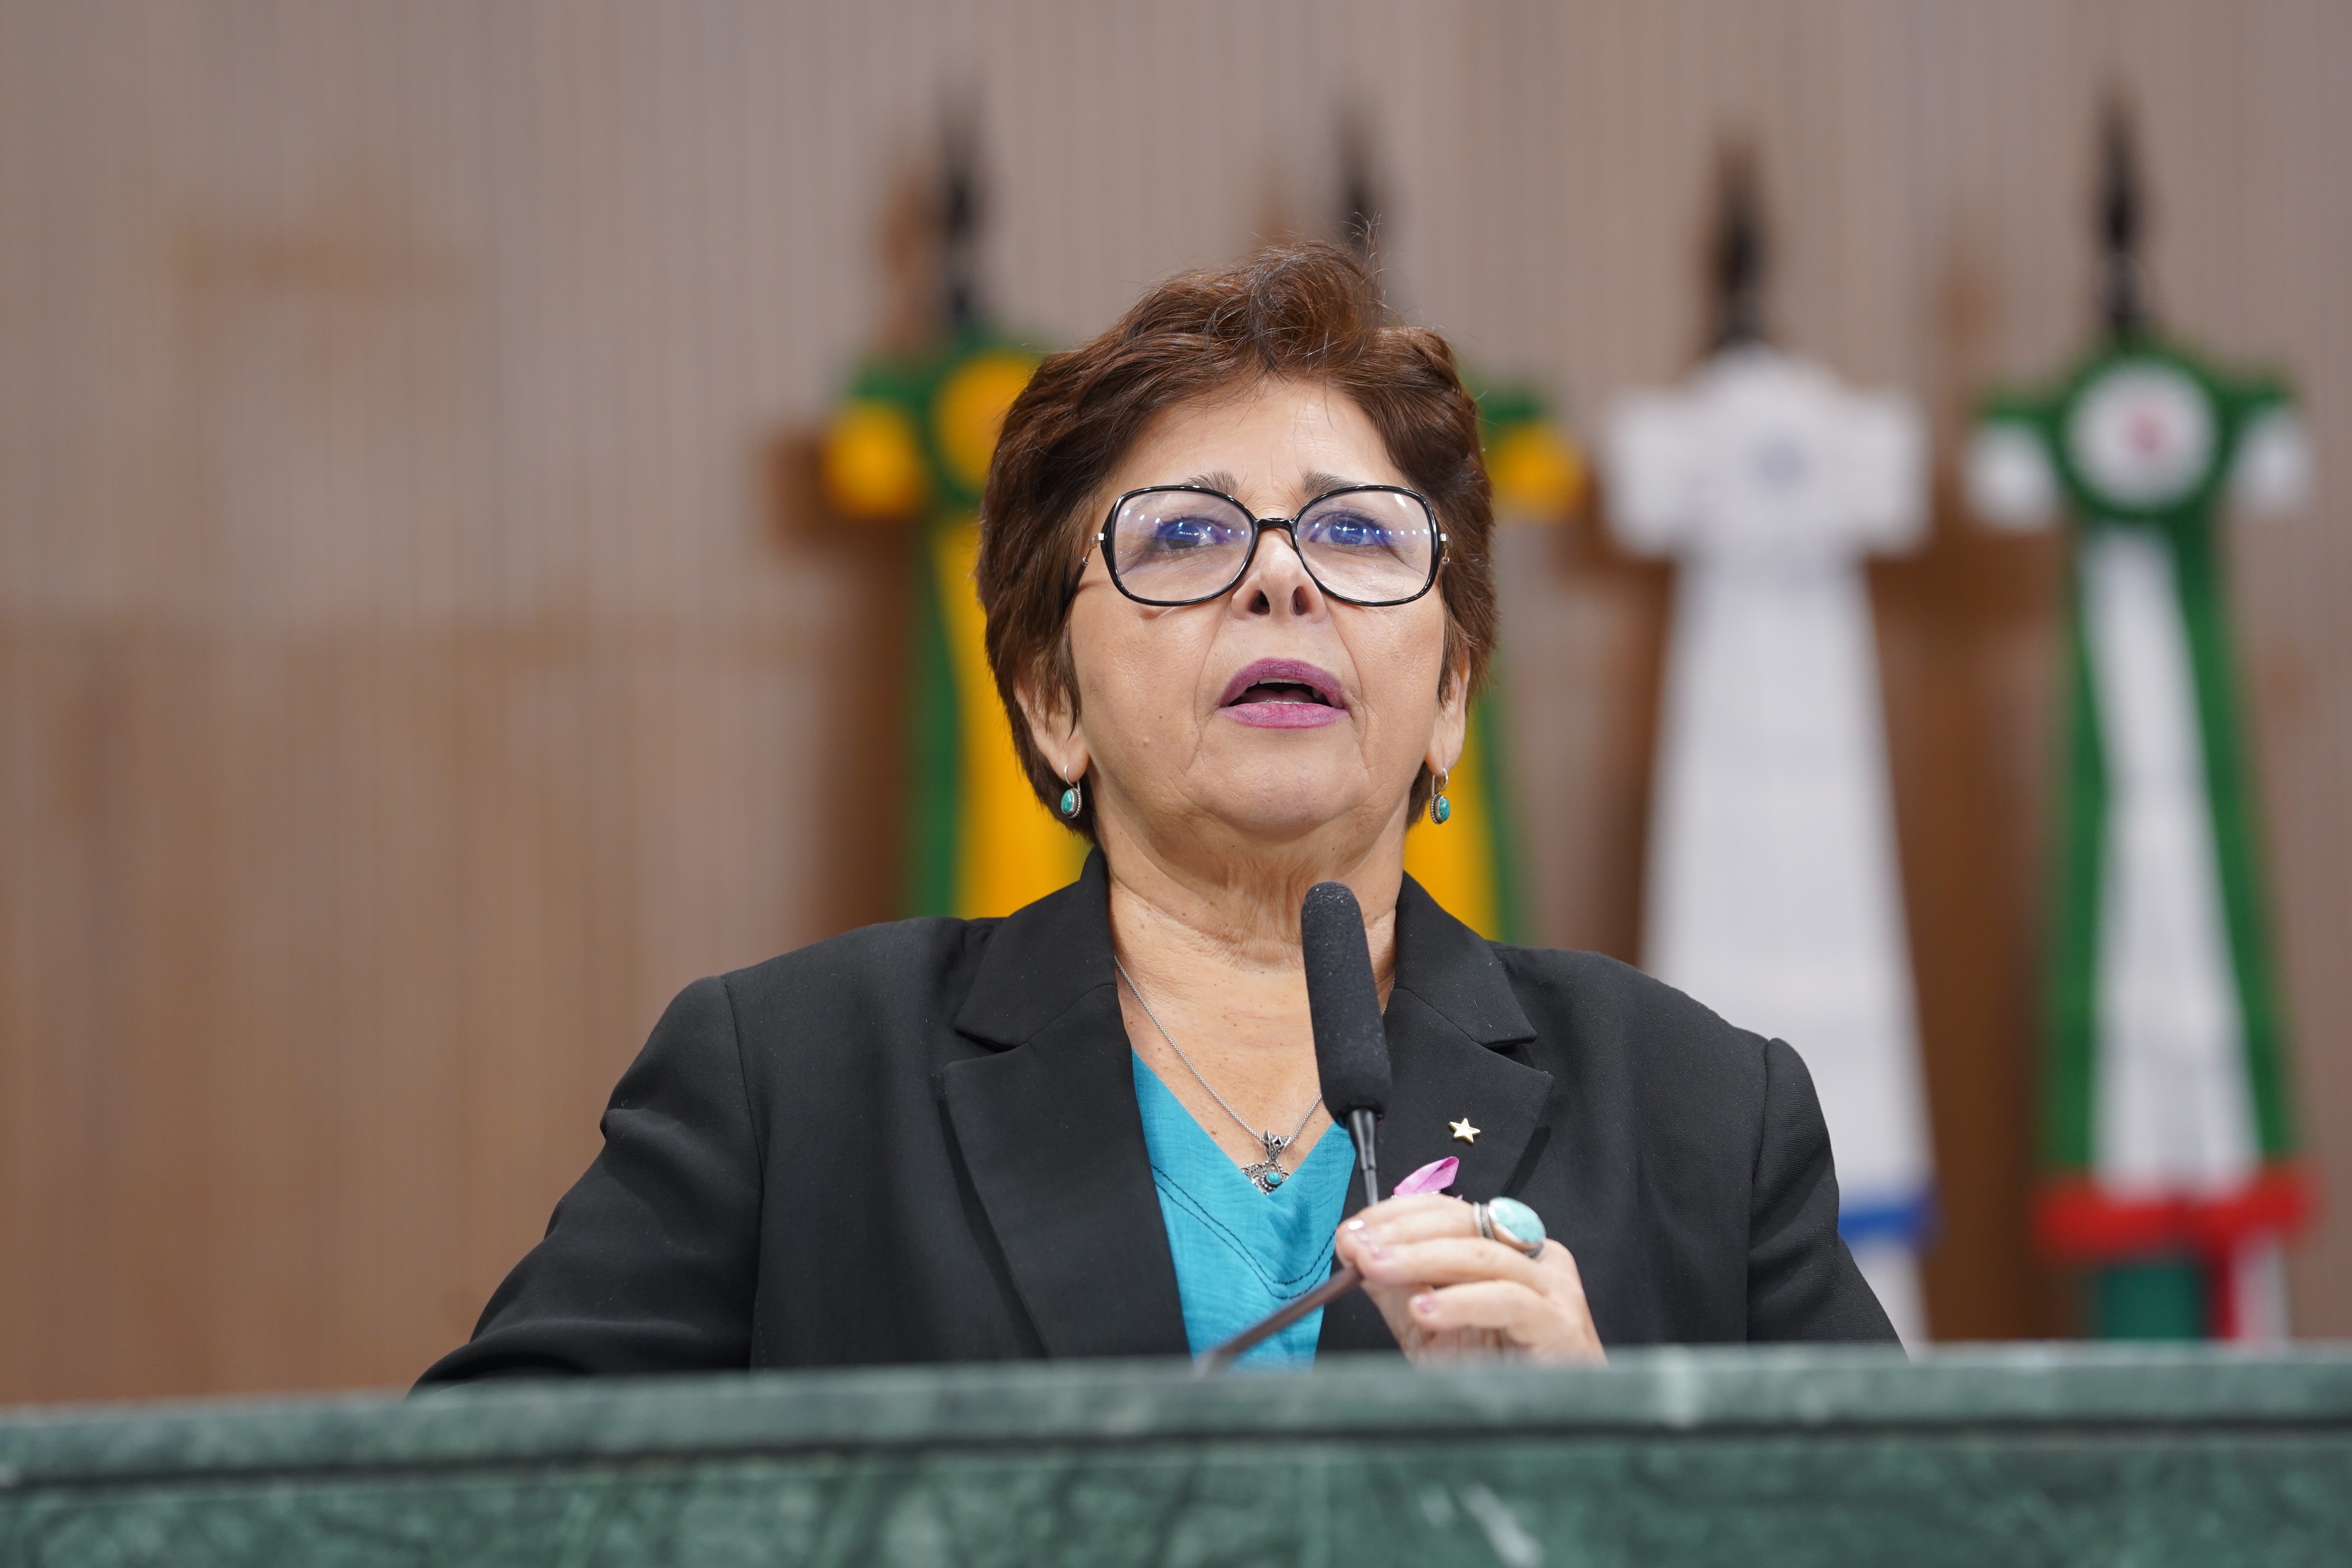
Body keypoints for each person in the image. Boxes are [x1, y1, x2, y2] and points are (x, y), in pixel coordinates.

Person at [419, 243, 1895, 1385]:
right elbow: (471, 1509)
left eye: (1357, 531)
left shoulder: (1704, 1114)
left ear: (1451, 696)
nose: (1282, 579)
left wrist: (1617, 1481)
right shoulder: (794, 1082)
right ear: (1049, 698)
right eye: (1185, 535)